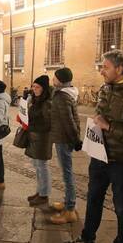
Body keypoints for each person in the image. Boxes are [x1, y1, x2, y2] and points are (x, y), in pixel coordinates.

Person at [61, 50, 123, 243]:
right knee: (93, 199)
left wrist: (109, 126)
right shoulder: (106, 89)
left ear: (119, 69)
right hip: (99, 156)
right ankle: (87, 238)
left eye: (105, 67)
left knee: (122, 205)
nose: (101, 71)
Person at [48, 67, 81, 225]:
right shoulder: (67, 93)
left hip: (63, 138)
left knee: (67, 174)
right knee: (66, 173)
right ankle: (68, 202)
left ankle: (70, 210)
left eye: (54, 77)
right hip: (64, 137)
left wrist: (76, 140)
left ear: (60, 80)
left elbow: (69, 121)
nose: (52, 80)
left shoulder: (61, 96)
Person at [23, 75, 53, 207]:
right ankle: (39, 191)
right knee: (37, 166)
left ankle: (44, 195)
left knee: (42, 167)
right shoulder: (36, 100)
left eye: (37, 87)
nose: (34, 89)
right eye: (33, 87)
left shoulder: (47, 102)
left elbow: (47, 123)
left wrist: (31, 124)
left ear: (44, 88)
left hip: (42, 138)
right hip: (34, 136)